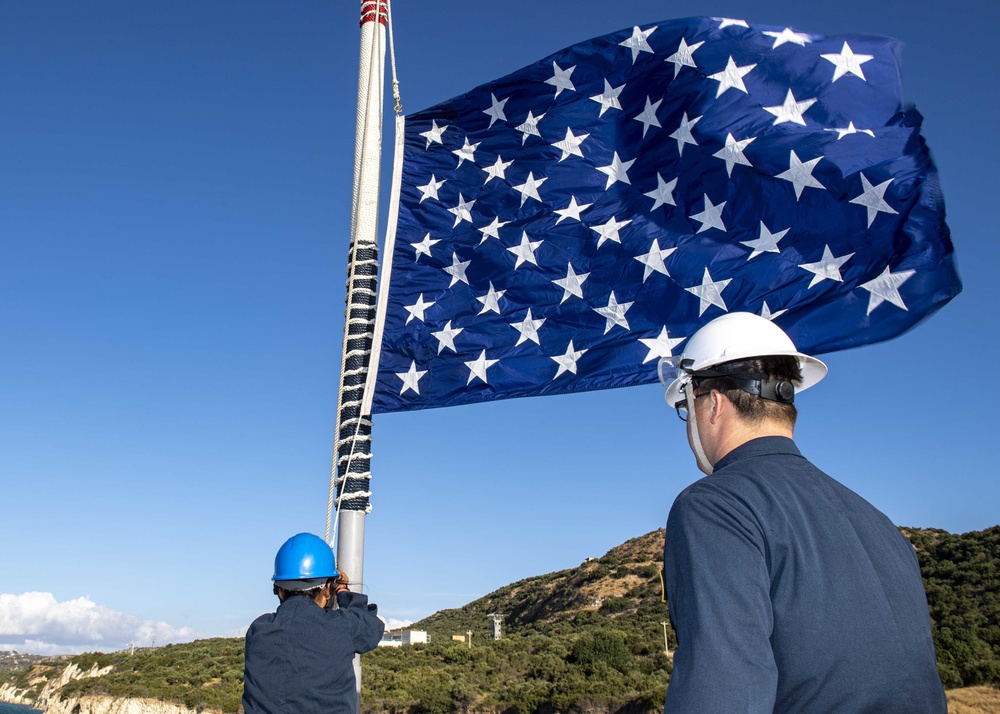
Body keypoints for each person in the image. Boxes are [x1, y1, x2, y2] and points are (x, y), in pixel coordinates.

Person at [658, 312, 946, 713]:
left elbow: (723, 692)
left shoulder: (715, 506)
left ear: (713, 405)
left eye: (686, 409)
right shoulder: (879, 522)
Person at [242, 532, 385, 714]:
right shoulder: (340, 627)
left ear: (279, 590)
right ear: (327, 590)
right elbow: (370, 628)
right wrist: (342, 590)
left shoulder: (258, 631)